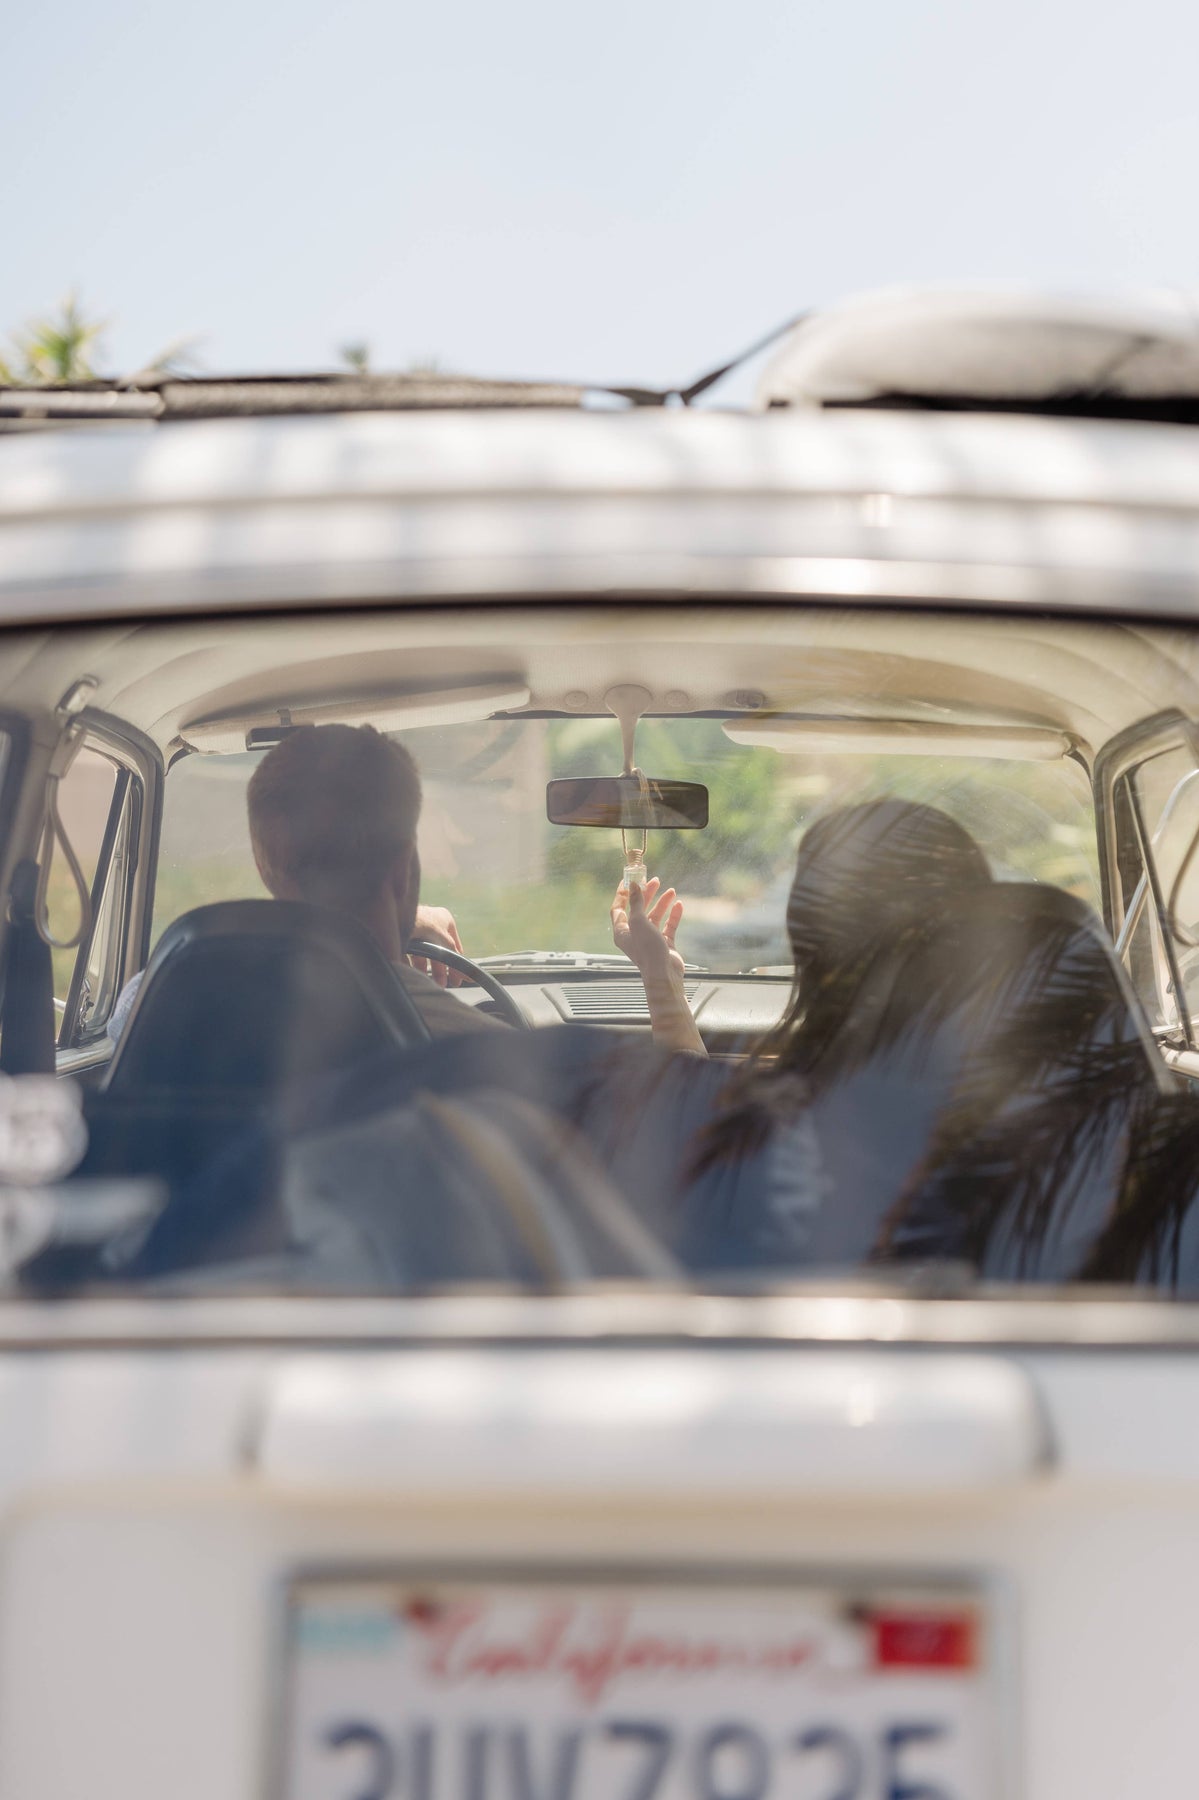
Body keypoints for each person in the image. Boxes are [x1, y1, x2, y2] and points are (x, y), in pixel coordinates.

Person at [110, 723, 501, 1043]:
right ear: (403, 869)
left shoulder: (161, 1010)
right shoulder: (477, 1046)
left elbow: (127, 1007)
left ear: (265, 870)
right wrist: (399, 917)